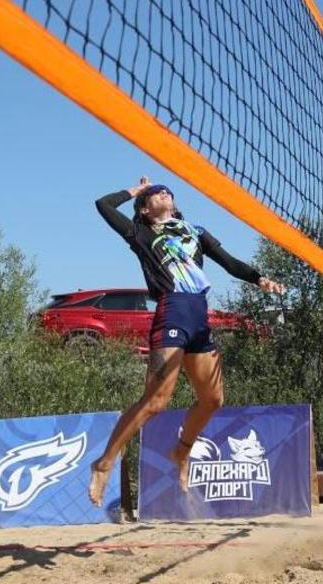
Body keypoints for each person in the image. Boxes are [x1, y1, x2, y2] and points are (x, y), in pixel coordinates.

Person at [89, 177, 285, 504]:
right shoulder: (141, 233)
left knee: (213, 399)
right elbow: (103, 205)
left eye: (166, 191)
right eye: (155, 194)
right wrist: (136, 190)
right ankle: (104, 462)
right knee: (156, 401)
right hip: (172, 311)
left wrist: (259, 278)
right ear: (145, 209)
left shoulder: (194, 231)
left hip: (199, 315)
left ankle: (181, 452)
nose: (163, 192)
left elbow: (230, 263)